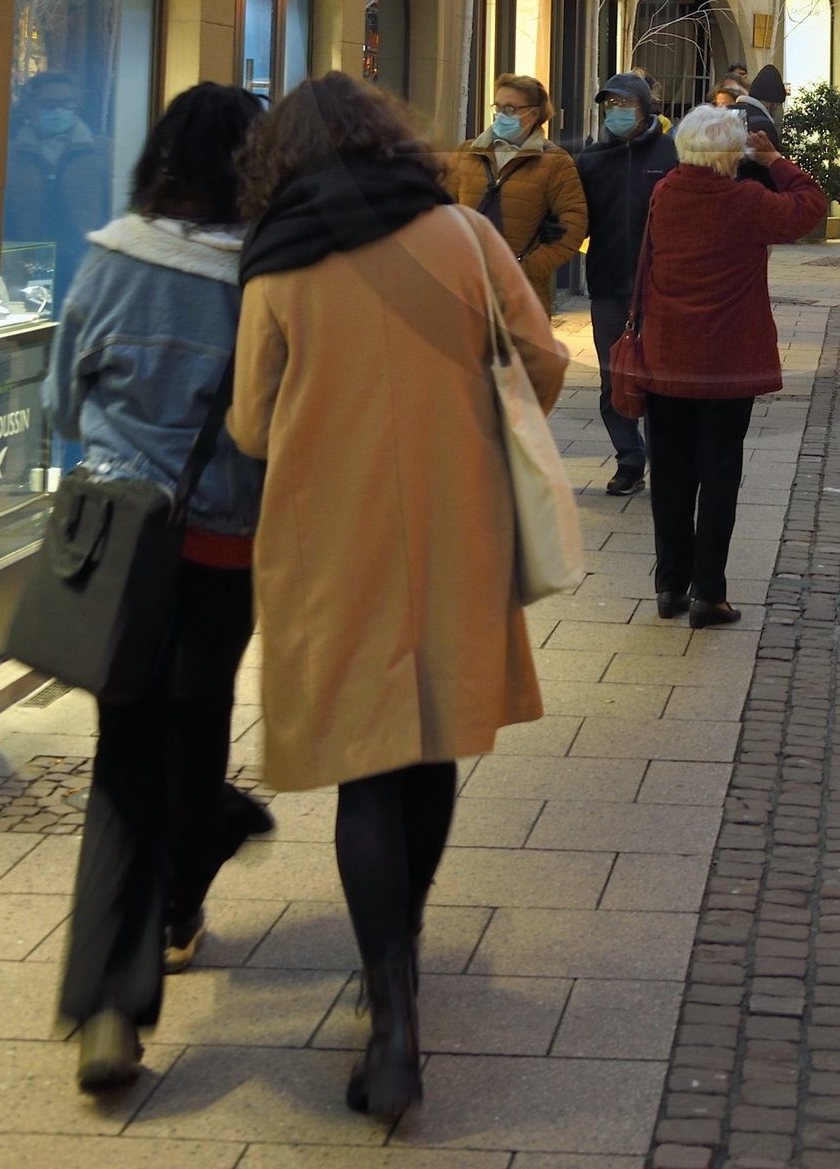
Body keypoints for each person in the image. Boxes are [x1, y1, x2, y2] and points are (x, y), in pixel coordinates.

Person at [231, 75, 567, 1122]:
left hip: (329, 538)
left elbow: (250, 423)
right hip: (456, 521)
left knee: (363, 772)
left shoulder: (278, 259)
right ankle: (404, 959)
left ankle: (392, 1015)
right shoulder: (463, 234)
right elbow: (545, 364)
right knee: (431, 740)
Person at [47, 83, 266, 1093]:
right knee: (195, 723)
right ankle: (189, 871)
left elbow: (59, 400)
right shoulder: (261, 276)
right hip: (220, 544)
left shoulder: (109, 255)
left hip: (113, 547)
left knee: (123, 756)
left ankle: (106, 1008)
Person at [614, 105, 825, 626]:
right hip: (727, 361)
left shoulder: (665, 192)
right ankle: (710, 593)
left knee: (670, 473)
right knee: (720, 474)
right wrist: (775, 159)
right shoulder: (746, 200)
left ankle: (669, 585)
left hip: (667, 356)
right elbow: (810, 205)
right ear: (733, 153)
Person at [576, 74, 677, 496]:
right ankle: (629, 459)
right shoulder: (592, 160)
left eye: (624, 103)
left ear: (644, 107)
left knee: (661, 379)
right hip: (610, 284)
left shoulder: (673, 154)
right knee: (613, 378)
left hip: (663, 288)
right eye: (609, 104)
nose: (616, 111)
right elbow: (574, 216)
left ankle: (667, 461)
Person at [445, 74, 587, 314]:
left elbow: (573, 225)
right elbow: (441, 209)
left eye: (509, 108)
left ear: (532, 114)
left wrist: (527, 269)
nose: (501, 115)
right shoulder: (468, 154)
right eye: (498, 107)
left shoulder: (555, 162)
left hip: (520, 298)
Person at [3, 68, 111, 304]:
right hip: (26, 265)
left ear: (77, 105)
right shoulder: (8, 154)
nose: (57, 110)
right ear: (30, 107)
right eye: (49, 103)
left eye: (66, 103)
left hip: (85, 264)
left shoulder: (101, 151)